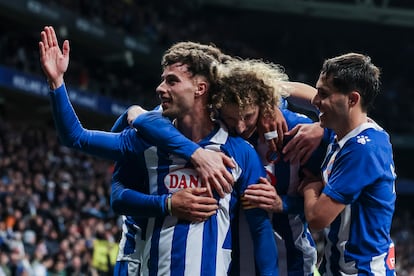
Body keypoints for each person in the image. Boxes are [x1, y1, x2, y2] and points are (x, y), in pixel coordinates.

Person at [39, 26, 278, 275]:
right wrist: (56, 82)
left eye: (172, 81)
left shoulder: (240, 151)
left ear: (200, 88)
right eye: (163, 79)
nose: (160, 88)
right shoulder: (146, 140)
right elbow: (76, 138)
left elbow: (260, 229)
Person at [132, 58, 328, 275]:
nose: (241, 126)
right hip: (230, 263)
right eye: (232, 118)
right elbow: (144, 118)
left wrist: (284, 203)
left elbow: (325, 200)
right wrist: (133, 111)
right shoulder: (214, 128)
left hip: (291, 259)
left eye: (248, 116)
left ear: (264, 103)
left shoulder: (295, 131)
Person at [299, 53, 396, 275]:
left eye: (323, 94)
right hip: (339, 268)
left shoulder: (362, 150)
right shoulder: (347, 130)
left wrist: (310, 185)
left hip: (360, 271)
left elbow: (316, 218)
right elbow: (301, 93)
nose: (315, 101)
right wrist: (270, 89)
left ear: (352, 99)